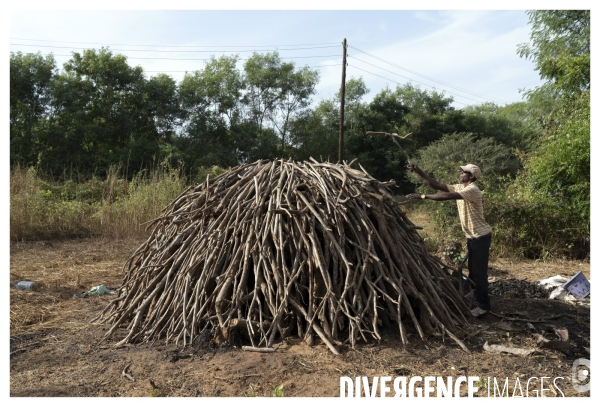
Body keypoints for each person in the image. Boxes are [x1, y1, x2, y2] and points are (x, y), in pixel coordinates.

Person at [405, 163, 492, 317]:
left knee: (479, 272)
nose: (460, 173)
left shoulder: (472, 189)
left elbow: (448, 196)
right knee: (472, 271)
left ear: (471, 176)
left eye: (463, 171)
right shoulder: (461, 187)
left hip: (480, 237)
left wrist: (423, 196)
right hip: (472, 237)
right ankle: (473, 297)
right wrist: (420, 171)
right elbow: (437, 185)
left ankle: (484, 305)